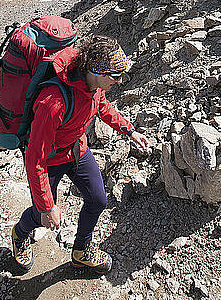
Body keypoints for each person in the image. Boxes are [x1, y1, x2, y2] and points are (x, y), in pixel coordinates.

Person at [11, 36, 149, 275]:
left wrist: (129, 130)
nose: (119, 80)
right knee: (40, 214)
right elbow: (35, 158)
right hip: (51, 161)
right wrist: (47, 207)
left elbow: (102, 107)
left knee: (98, 200)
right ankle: (20, 234)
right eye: (115, 75)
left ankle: (81, 251)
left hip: (77, 151)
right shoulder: (52, 103)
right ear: (96, 71)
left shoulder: (94, 87)